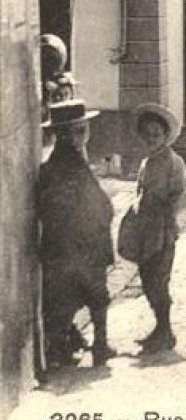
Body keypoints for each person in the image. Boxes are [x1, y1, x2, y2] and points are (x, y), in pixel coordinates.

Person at [37, 100, 115, 369]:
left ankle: (70, 345)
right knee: (92, 295)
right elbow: (91, 204)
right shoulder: (68, 165)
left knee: (65, 296)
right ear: (64, 135)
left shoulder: (56, 165)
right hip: (81, 244)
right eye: (79, 130)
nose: (84, 135)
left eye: (84, 129)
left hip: (64, 244)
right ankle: (96, 346)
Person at [134, 104, 186, 353]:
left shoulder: (173, 162)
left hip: (164, 228)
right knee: (147, 279)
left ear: (166, 136)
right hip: (146, 228)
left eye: (156, 134)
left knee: (159, 279)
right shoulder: (147, 163)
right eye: (146, 134)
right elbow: (140, 191)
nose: (151, 139)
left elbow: (181, 192)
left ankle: (166, 331)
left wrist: (167, 214)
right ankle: (159, 327)